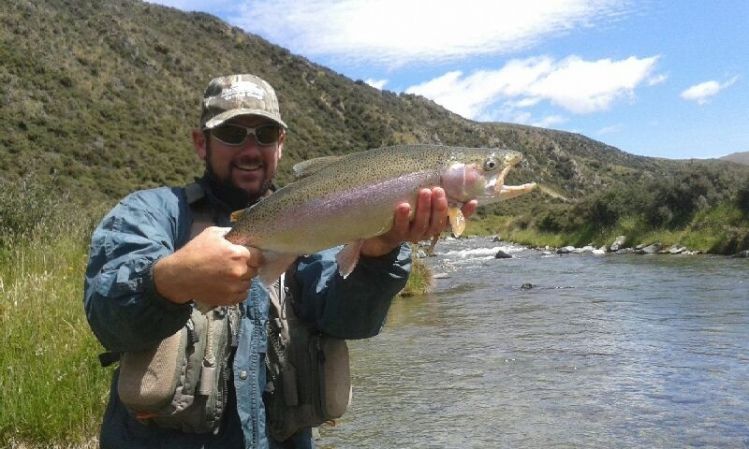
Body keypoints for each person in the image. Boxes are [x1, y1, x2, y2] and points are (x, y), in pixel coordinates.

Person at [83, 73, 476, 449]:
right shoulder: (150, 214)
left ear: (281, 143)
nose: (251, 150)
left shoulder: (318, 220)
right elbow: (106, 317)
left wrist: (378, 255)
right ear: (202, 143)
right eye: (232, 134)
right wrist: (168, 281)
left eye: (265, 135)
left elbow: (347, 320)